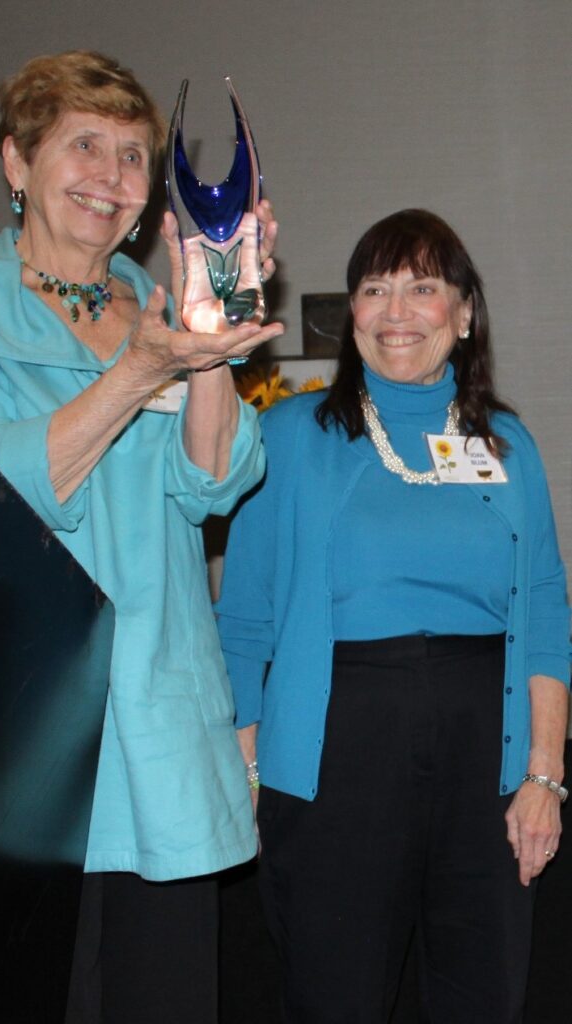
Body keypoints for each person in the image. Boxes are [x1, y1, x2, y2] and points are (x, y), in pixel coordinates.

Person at [0, 50, 283, 1023]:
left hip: (161, 728)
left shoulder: (152, 311)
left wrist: (205, 344)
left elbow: (217, 478)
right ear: (16, 164)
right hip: (25, 743)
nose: (111, 175)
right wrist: (136, 375)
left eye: (134, 156)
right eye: (84, 146)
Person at [216, 209, 570, 1023]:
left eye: (422, 287)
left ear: (464, 311)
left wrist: (543, 776)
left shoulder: (506, 441)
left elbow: (545, 607)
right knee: (335, 994)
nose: (396, 310)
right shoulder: (288, 435)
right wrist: (248, 777)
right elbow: (242, 624)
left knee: (481, 993)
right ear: (353, 312)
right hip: (337, 750)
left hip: (491, 751)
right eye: (374, 288)